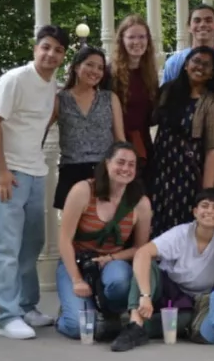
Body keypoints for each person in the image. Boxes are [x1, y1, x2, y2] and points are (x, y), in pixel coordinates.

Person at [0, 25, 68, 340]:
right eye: (46, 47)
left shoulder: (50, 85)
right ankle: (7, 317)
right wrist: (2, 170)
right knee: (5, 246)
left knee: (31, 244)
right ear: (35, 48)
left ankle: (26, 306)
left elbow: (44, 121)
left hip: (35, 171)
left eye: (58, 50)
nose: (51, 54)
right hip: (6, 173)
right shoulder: (14, 79)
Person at [56, 142, 153, 340]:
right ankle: (69, 312)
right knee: (78, 328)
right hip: (76, 262)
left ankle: (111, 312)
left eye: (131, 165)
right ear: (107, 163)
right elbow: (64, 240)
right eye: (120, 162)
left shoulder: (141, 203)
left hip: (112, 262)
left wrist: (111, 257)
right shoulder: (83, 190)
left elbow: (140, 248)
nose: (125, 169)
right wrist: (76, 279)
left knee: (120, 281)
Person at [112, 189, 214, 352]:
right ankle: (135, 322)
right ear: (195, 212)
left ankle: (121, 327)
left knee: (182, 322)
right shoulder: (181, 233)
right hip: (168, 289)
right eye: (204, 206)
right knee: (150, 266)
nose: (209, 211)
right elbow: (142, 253)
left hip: (195, 301)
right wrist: (145, 296)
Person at [149, 46, 214, 236]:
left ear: (212, 73)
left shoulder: (211, 104)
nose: (200, 67)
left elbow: (213, 150)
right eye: (196, 61)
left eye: (207, 65)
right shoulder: (168, 91)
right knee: (156, 225)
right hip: (160, 172)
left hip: (188, 178)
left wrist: (206, 194)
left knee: (183, 230)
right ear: (185, 65)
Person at [53, 45, 125, 209]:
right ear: (77, 66)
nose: (95, 71)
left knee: (103, 227)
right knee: (74, 230)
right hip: (72, 171)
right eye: (90, 65)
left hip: (104, 171)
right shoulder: (60, 100)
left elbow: (120, 139)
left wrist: (123, 170)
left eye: (100, 68)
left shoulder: (109, 98)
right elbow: (39, 132)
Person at [111, 15, 158, 171]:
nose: (137, 42)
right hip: (116, 147)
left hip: (143, 145)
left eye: (141, 37)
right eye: (131, 37)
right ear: (122, 41)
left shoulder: (149, 73)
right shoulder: (110, 73)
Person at [161, 4, 214, 83]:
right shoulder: (174, 63)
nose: (203, 24)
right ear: (189, 27)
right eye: (197, 21)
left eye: (208, 20)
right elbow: (165, 93)